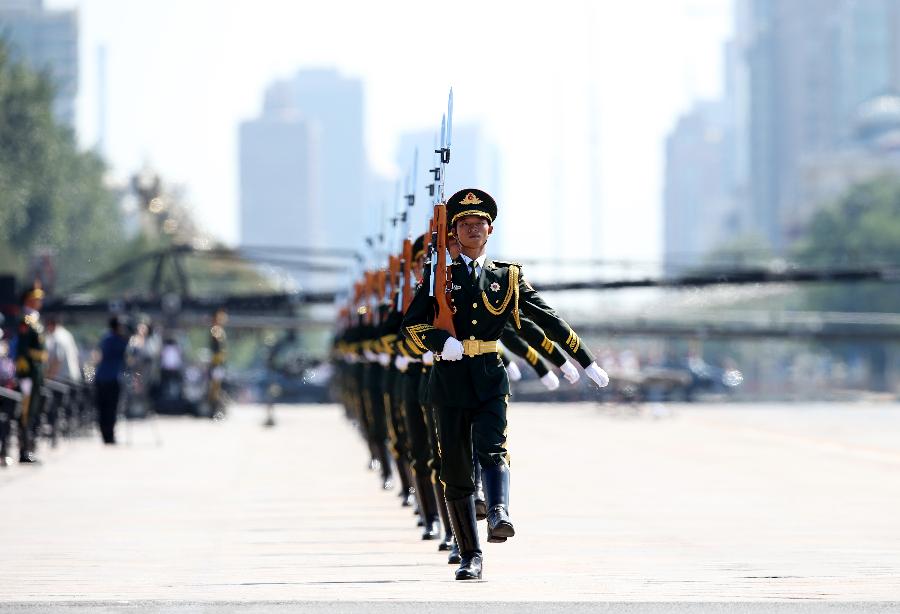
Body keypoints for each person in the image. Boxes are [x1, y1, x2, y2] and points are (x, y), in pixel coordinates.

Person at [402, 188, 610, 580]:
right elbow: (412, 324)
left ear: (490, 229)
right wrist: (439, 342)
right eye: (464, 223)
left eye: (479, 223)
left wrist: (583, 359)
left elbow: (543, 318)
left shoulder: (507, 277)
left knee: (493, 447)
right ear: (453, 233)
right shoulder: (436, 276)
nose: (473, 228)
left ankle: (499, 512)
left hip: (489, 377)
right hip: (448, 382)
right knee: (457, 470)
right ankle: (471, 556)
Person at [14, 282, 48, 464]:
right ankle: (24, 450)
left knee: (33, 409)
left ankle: (29, 448)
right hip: (28, 372)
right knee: (26, 410)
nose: (40, 301)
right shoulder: (26, 321)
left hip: (36, 372)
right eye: (36, 298)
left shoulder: (35, 320)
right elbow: (23, 350)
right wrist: (25, 371)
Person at [94, 316, 128, 444]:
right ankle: (109, 436)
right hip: (112, 379)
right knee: (111, 409)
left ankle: (105, 435)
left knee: (102, 408)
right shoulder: (119, 340)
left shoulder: (105, 338)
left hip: (101, 377)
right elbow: (130, 352)